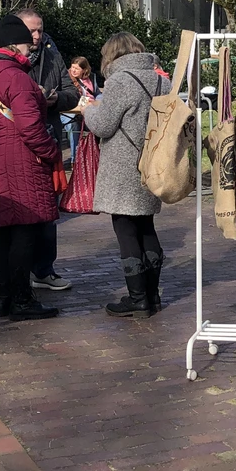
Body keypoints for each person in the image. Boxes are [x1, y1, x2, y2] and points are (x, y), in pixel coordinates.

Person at [0, 15, 60, 321]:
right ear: (15, 44)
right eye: (27, 40)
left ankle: (5, 295)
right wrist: (51, 153)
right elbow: (31, 128)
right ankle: (23, 298)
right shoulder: (17, 77)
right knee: (26, 229)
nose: (32, 46)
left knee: (5, 232)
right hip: (21, 160)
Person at [83, 33, 167, 318]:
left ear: (111, 55)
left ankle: (138, 298)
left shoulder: (119, 81)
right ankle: (153, 295)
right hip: (153, 163)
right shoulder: (161, 80)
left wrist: (88, 111)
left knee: (125, 229)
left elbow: (104, 126)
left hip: (123, 165)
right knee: (147, 227)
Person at [14, 8, 77, 292]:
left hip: (48, 139)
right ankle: (7, 276)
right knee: (14, 214)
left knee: (48, 211)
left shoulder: (52, 54)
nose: (37, 36)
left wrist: (53, 99)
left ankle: (43, 270)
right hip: (15, 144)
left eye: (40, 29)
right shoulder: (0, 58)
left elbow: (72, 93)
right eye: (31, 31)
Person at [66, 56, 99, 161]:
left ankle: (94, 156)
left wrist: (98, 101)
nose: (73, 70)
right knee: (73, 125)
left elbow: (98, 94)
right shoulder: (67, 78)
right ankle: (74, 159)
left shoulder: (92, 78)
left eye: (77, 68)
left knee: (97, 123)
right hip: (72, 110)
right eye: (72, 67)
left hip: (90, 108)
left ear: (84, 70)